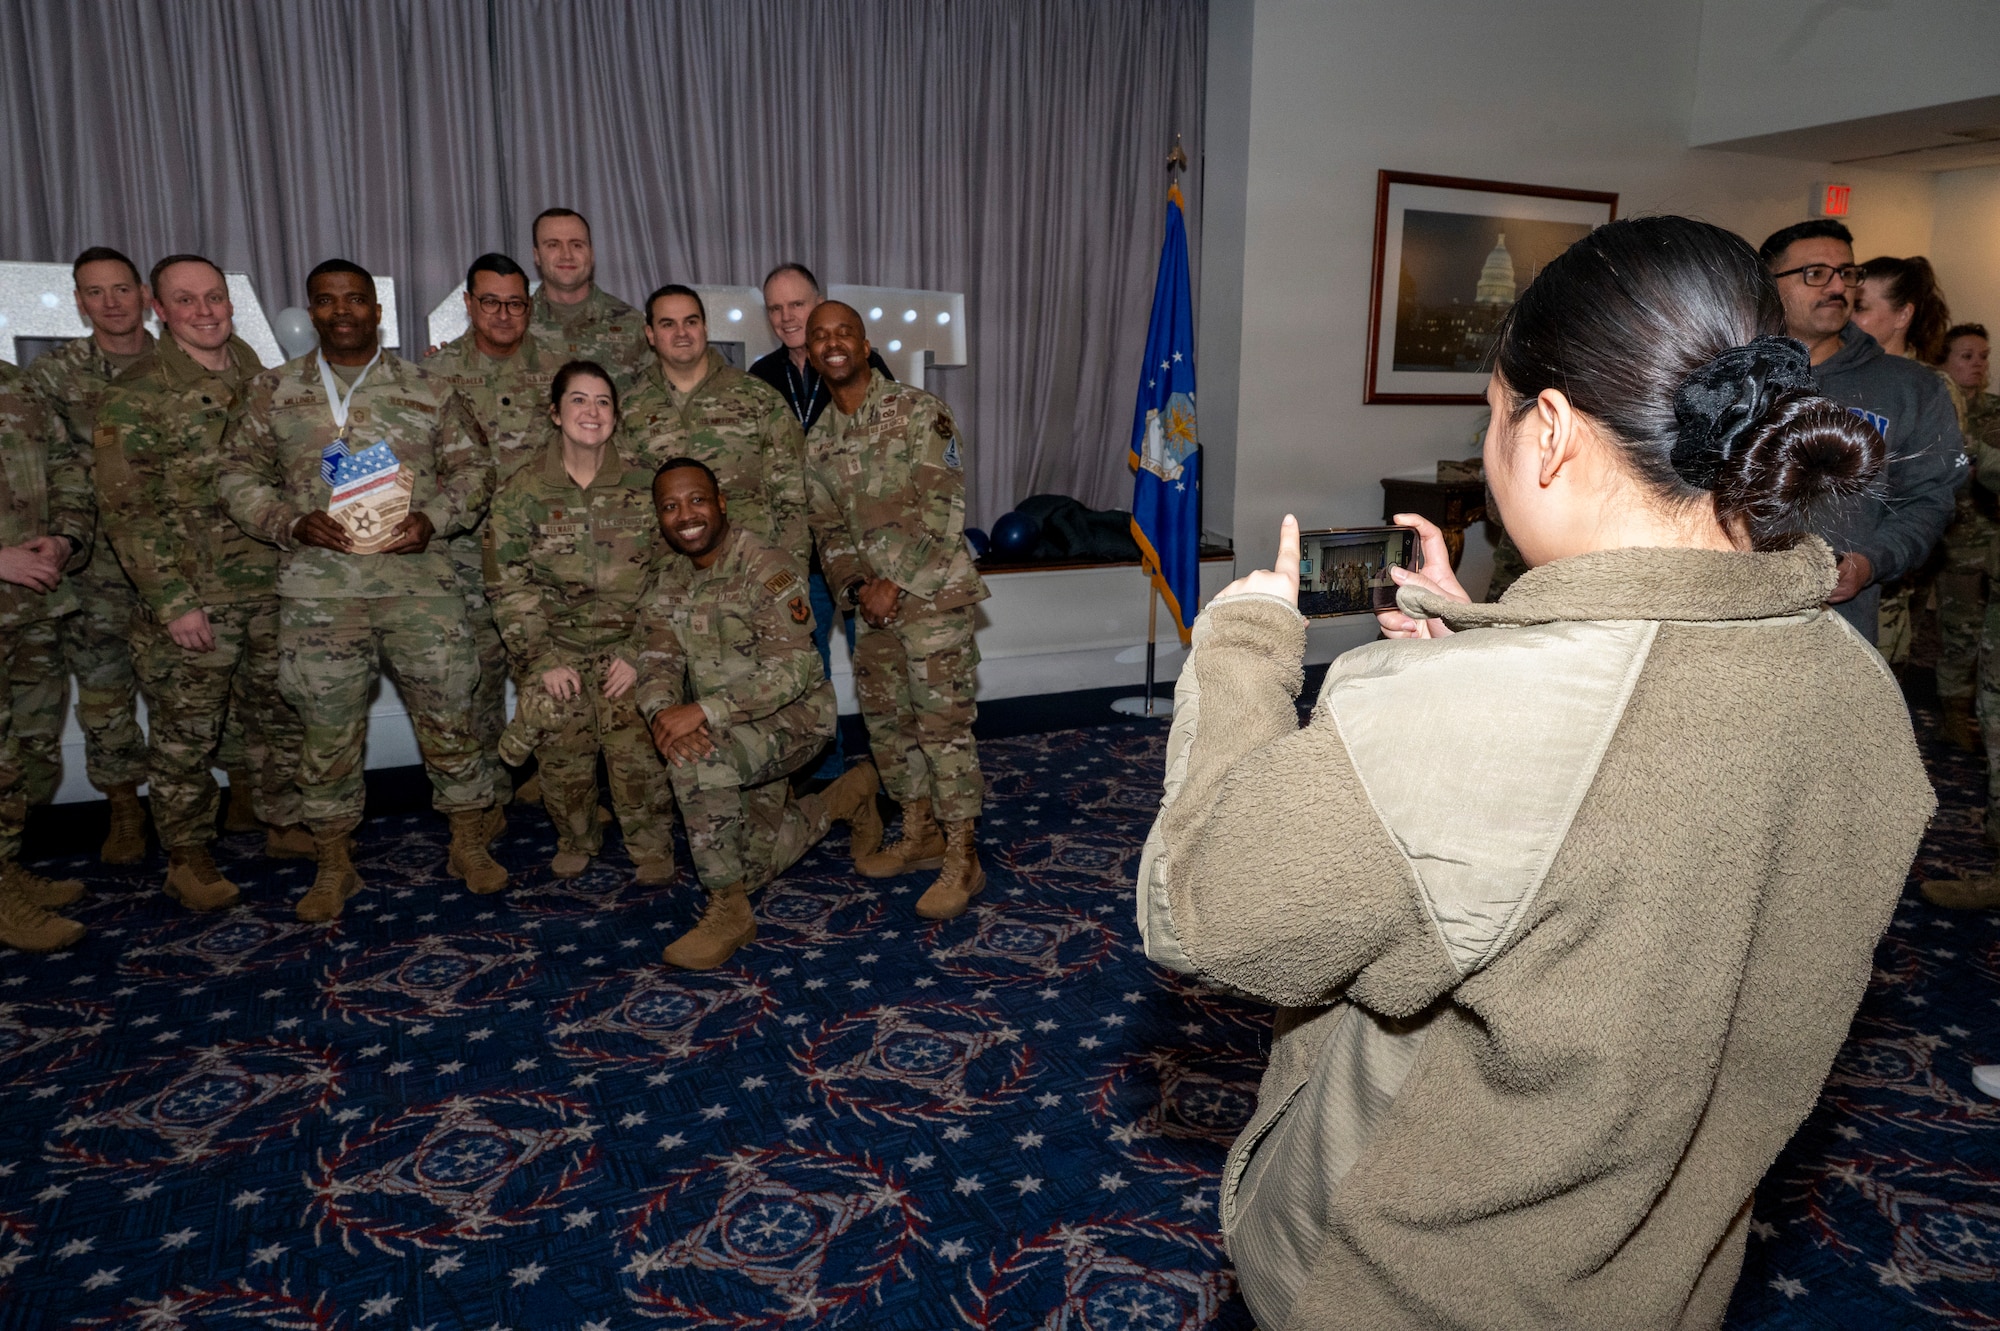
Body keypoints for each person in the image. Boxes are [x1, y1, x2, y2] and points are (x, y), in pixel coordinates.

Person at [1136, 215, 1931, 1329]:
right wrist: (1482, 645)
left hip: (1400, 1289)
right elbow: (1638, 770)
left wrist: (1242, 648)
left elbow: (1202, 908)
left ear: (1547, 429)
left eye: (1494, 412)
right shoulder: (1853, 688)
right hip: (1659, 1277)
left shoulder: (1462, 723)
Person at [219, 258, 506, 921]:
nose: (341, 311)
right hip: (322, 595)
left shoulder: (427, 389)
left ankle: (468, 842)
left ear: (377, 310)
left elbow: (475, 469)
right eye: (327, 301)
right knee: (325, 733)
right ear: (312, 310)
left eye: (355, 300)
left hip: (420, 588)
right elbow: (235, 473)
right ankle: (333, 863)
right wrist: (288, 521)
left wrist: (435, 518)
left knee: (452, 721)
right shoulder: (273, 391)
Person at [93, 255, 309, 911]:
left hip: (273, 590)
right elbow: (126, 512)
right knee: (185, 737)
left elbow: (308, 465)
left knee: (278, 719)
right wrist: (173, 604)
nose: (206, 310)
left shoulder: (266, 380)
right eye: (186, 301)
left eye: (214, 297)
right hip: (195, 601)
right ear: (160, 310)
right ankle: (186, 855)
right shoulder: (138, 395)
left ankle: (281, 822)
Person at [636, 457, 881, 969]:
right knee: (746, 863)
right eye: (670, 507)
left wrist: (703, 710)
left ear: (721, 503)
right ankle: (842, 799)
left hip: (794, 719)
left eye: (697, 500)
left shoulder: (766, 566)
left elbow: (795, 667)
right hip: (726, 730)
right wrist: (665, 716)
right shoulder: (668, 579)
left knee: (696, 767)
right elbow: (657, 660)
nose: (686, 515)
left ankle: (729, 914)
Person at [802, 301, 988, 918]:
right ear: (809, 353)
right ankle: (920, 833)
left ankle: (964, 856)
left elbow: (944, 511)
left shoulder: (918, 412)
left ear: (864, 342)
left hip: (933, 599)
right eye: (820, 336)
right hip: (871, 611)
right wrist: (857, 590)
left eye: (844, 333)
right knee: (888, 727)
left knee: (942, 729)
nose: (833, 344)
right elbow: (827, 532)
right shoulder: (819, 441)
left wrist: (894, 584)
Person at [487, 361, 674, 882]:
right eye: (578, 400)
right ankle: (577, 836)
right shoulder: (523, 490)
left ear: (616, 414)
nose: (591, 412)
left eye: (603, 402)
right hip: (557, 650)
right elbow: (507, 582)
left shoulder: (645, 482)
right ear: (554, 412)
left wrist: (641, 651)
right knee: (564, 761)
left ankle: (651, 845)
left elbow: (672, 572)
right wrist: (542, 659)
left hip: (629, 648)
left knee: (636, 757)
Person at [1758, 220, 1962, 643]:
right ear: (1767, 284)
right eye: (1815, 274)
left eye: (1847, 273)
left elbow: (1928, 501)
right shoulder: (1728, 378)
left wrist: (1868, 563)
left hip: (1839, 626)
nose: (1837, 287)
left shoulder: (1910, 388)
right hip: (1728, 613)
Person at [23, 246, 155, 862]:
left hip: (177, 557)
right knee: (103, 691)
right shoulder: (51, 377)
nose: (111, 303)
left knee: (206, 681)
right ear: (79, 302)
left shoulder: (183, 363)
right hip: (96, 564)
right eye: (96, 292)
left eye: (122, 289)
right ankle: (124, 807)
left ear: (145, 295)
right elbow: (41, 469)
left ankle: (230, 796)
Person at [426, 252, 567, 799]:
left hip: (546, 555)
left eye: (515, 303)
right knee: (474, 681)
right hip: (465, 560)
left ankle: (558, 791)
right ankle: (486, 798)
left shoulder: (562, 371)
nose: (504, 314)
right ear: (468, 304)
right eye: (491, 302)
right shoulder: (433, 376)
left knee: (551, 673)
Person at [747, 262, 893, 779]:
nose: (788, 316)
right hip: (793, 555)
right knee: (807, 672)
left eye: (797, 304)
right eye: (776, 307)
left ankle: (886, 774)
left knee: (875, 667)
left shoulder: (864, 366)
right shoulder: (760, 378)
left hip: (861, 552)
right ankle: (823, 774)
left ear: (819, 303)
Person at [0, 362, 93, 951]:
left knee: (29, 754)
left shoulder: (17, 385)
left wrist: (64, 538)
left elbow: (68, 472)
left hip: (32, 608)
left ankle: (4, 868)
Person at [620, 284, 809, 566]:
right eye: (668, 324)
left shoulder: (756, 397)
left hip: (752, 575)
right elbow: (626, 508)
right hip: (668, 585)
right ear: (650, 334)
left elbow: (794, 497)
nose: (682, 333)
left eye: (691, 322)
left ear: (705, 328)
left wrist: (790, 570)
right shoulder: (628, 410)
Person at [1848, 255, 1957, 663]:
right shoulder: (1845, 377)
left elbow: (1934, 487)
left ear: (1902, 315)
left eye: (1861, 307)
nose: (1848, 316)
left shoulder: (1928, 389)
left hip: (1886, 570)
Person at [525, 208, 649, 385]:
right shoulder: (513, 324)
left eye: (576, 245)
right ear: (536, 255)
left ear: (591, 253)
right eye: (553, 245)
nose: (566, 255)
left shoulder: (632, 324)